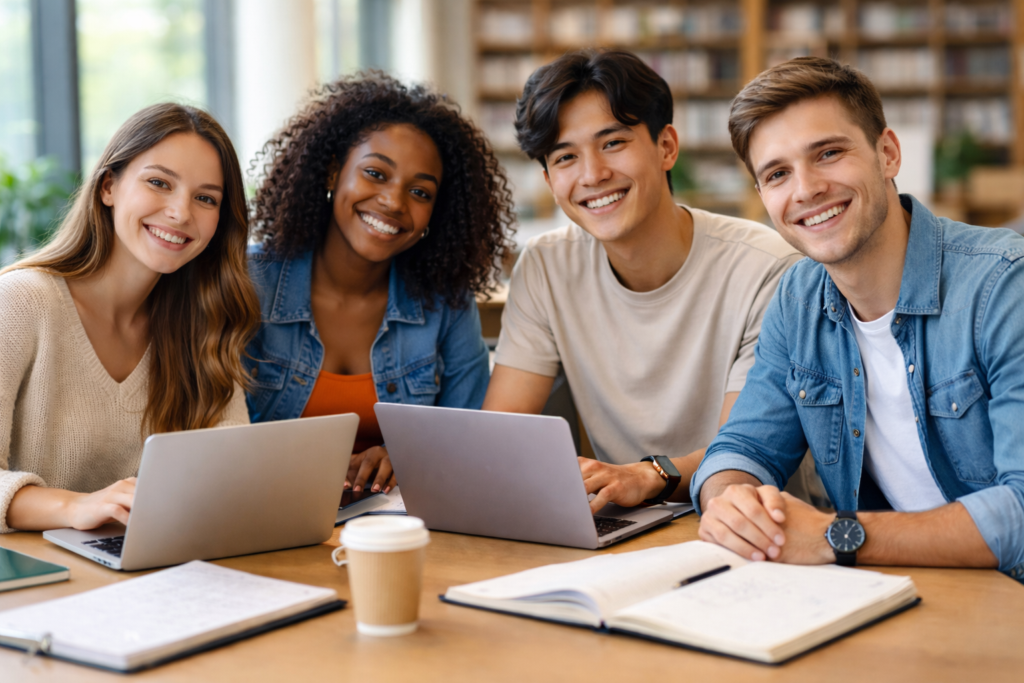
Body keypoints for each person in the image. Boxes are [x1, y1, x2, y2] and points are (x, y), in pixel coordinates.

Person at [692, 56, 1024, 579]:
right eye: (777, 174)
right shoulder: (797, 300)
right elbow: (743, 447)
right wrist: (732, 505)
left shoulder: (1004, 286)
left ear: (887, 154)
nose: (805, 190)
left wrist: (836, 536)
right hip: (897, 592)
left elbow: (1022, 513)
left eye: (828, 153)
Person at [482, 49, 801, 513]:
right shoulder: (546, 266)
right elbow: (499, 435)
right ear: (550, 179)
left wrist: (650, 475)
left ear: (666, 147)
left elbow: (746, 453)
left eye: (612, 143)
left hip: (760, 525)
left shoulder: (766, 268)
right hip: (623, 520)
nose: (592, 174)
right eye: (565, 157)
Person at [245, 72, 515, 495]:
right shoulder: (250, 284)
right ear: (334, 172)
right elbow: (217, 437)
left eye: (421, 193)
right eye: (375, 173)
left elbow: (474, 432)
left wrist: (411, 454)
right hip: (270, 507)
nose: (393, 202)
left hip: (399, 521)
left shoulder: (445, 301)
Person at [0, 103, 260, 533]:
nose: (181, 212)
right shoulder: (21, 303)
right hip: (39, 582)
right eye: (159, 183)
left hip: (152, 572)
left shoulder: (202, 322)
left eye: (206, 198)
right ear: (108, 187)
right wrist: (76, 507)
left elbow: (228, 474)